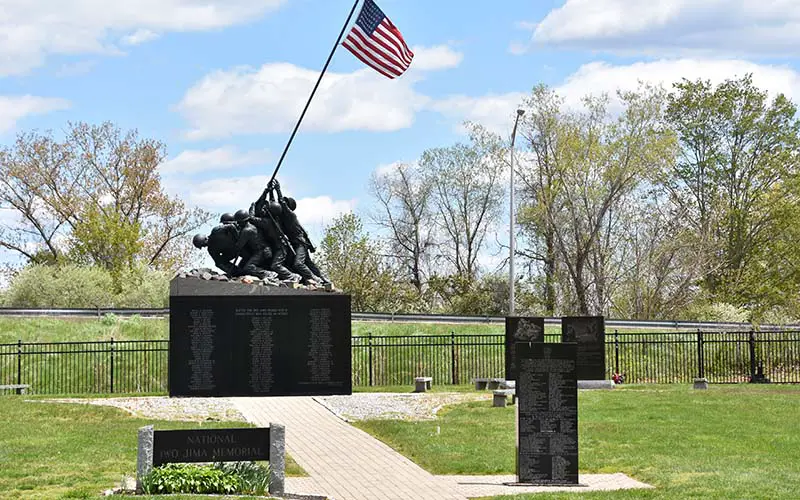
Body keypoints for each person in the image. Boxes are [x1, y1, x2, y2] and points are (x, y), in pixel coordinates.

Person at [270, 179, 331, 285]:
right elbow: (274, 204)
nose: (281, 204)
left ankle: (317, 280)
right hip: (296, 243)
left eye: (284, 204)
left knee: (298, 264)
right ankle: (324, 279)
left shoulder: (290, 216)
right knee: (309, 264)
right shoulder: (283, 216)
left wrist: (278, 189)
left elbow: (282, 203)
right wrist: (270, 191)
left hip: (300, 243)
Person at [248, 186, 300, 282]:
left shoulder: (267, 222)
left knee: (275, 265)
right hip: (279, 246)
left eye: (266, 208)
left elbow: (251, 218)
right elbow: (273, 203)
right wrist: (269, 191)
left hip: (281, 247)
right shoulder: (277, 217)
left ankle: (292, 276)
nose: (264, 209)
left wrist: (252, 207)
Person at [231, 209, 273, 279]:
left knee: (248, 268)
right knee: (241, 267)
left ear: (244, 221)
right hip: (259, 250)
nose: (238, 224)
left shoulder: (247, 230)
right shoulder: (252, 226)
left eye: (239, 222)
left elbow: (239, 246)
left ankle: (269, 274)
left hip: (261, 251)